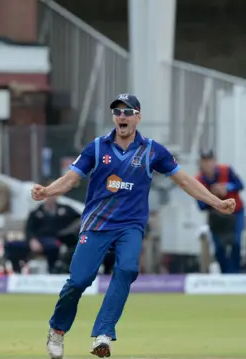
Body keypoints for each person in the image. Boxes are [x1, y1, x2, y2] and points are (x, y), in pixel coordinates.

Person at [34, 94, 236, 359]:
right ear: (113, 118)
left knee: (128, 268)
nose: (122, 116)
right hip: (97, 224)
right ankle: (57, 330)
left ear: (138, 117)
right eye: (117, 112)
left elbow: (185, 181)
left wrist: (216, 202)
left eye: (128, 112)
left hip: (130, 225)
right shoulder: (97, 147)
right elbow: (72, 179)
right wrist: (47, 191)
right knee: (79, 280)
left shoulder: (152, 150)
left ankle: (103, 334)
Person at [196, 149, 244, 273]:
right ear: (201, 163)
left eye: (210, 161)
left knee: (236, 243)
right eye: (205, 161)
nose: (208, 164)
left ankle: (234, 273)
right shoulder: (199, 180)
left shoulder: (226, 170)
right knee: (219, 247)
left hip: (235, 212)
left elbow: (240, 184)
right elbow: (201, 205)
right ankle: (225, 274)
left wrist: (226, 187)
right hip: (216, 216)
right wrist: (211, 195)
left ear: (214, 161)